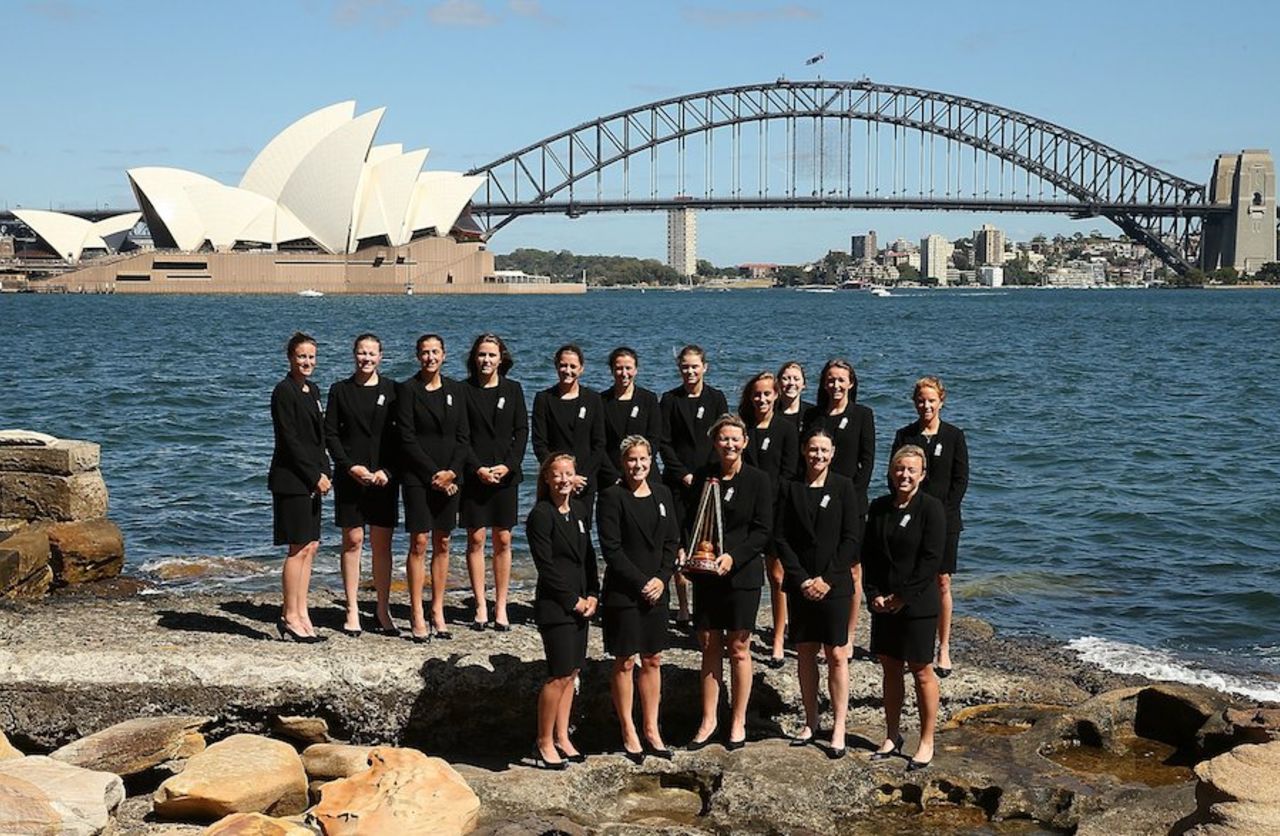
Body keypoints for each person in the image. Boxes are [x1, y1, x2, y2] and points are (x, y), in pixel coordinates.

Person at [686, 414, 773, 751]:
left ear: (745, 442)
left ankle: (737, 721)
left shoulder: (758, 480)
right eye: (724, 439)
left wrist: (733, 557)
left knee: (738, 648)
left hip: (743, 574)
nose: (730, 444)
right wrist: (687, 552)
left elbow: (763, 530)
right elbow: (690, 520)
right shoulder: (704, 477)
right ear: (715, 442)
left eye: (735, 439)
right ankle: (708, 720)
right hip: (707, 574)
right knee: (708, 645)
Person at [774, 429, 859, 758]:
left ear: (833, 453)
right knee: (805, 652)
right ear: (803, 451)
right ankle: (811, 721)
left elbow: (851, 538)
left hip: (834, 584)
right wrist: (803, 579)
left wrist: (827, 579)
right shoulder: (790, 487)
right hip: (801, 585)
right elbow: (781, 538)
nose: (818, 456)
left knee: (836, 655)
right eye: (812, 450)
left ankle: (838, 726)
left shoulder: (844, 487)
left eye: (824, 450)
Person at [597, 435, 679, 763]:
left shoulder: (662, 494)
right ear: (623, 462)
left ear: (651, 460)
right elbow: (611, 549)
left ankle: (651, 728)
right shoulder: (611, 496)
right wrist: (643, 582)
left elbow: (672, 541)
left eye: (643, 459)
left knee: (653, 658)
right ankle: (628, 729)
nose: (638, 465)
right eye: (632, 459)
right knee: (625, 660)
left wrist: (662, 578)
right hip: (624, 592)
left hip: (657, 590)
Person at [863, 445, 945, 771]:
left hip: (918, 605)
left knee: (921, 671)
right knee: (890, 667)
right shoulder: (880, 506)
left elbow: (930, 561)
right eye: (899, 469)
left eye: (911, 470)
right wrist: (874, 594)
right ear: (891, 472)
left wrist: (902, 597)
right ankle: (892, 734)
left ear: (922, 474)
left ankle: (926, 740)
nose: (905, 476)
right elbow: (868, 555)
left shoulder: (932, 508)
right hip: (884, 605)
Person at [892, 376, 969, 677]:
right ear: (915, 402)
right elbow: (894, 475)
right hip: (909, 519)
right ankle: (906, 641)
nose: (926, 405)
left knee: (942, 582)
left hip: (946, 521)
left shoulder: (954, 435)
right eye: (921, 400)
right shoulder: (905, 435)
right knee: (907, 579)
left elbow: (960, 480)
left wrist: (940, 515)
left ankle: (943, 647)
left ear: (941, 401)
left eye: (931, 400)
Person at [324, 333, 399, 637]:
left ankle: (382, 607)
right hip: (350, 477)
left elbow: (402, 438)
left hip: (384, 479)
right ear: (354, 355)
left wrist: (388, 471)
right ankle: (352, 608)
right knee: (352, 541)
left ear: (381, 356)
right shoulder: (340, 390)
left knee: (383, 544)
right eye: (361, 353)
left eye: (372, 353)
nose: (366, 358)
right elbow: (330, 434)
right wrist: (349, 466)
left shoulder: (394, 390)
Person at [527, 453, 599, 769]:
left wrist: (594, 594)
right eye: (557, 474)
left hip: (583, 605)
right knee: (557, 675)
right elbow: (546, 566)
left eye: (568, 473)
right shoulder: (541, 515)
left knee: (572, 673)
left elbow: (588, 557)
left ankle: (562, 736)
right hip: (556, 606)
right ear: (546, 479)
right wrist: (573, 600)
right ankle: (543, 742)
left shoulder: (580, 511)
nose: (563, 480)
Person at [397, 334, 471, 642]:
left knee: (443, 542)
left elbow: (464, 438)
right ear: (417, 356)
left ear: (444, 355)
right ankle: (416, 611)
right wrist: (434, 475)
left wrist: (451, 473)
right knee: (419, 543)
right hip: (418, 478)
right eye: (425, 352)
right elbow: (406, 438)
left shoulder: (456, 390)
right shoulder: (407, 390)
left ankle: (437, 609)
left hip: (451, 479)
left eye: (435, 352)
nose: (430, 357)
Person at [802, 359, 874, 659]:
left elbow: (867, 462)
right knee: (819, 563)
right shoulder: (813, 415)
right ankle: (819, 632)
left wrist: (850, 499)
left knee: (852, 569)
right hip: (816, 501)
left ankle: (847, 633)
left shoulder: (862, 415)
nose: (835, 385)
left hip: (851, 502)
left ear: (851, 383)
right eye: (830, 380)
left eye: (841, 380)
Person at [461, 333, 528, 632]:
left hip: (505, 476)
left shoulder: (513, 390)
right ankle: (479, 604)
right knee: (475, 540)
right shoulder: (463, 390)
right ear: (474, 359)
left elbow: (521, 432)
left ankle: (501, 605)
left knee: (503, 539)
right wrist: (477, 468)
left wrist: (508, 465)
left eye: (491, 355)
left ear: (502, 358)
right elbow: (460, 436)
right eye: (481, 355)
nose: (486, 360)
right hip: (474, 476)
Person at [659, 345, 729, 630]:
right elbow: (663, 442)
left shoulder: (716, 398)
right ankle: (684, 607)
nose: (690, 371)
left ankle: (706, 603)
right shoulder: (670, 399)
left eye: (694, 366)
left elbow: (724, 438)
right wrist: (682, 474)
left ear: (705, 367)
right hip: (677, 482)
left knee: (706, 541)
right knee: (680, 541)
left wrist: (707, 475)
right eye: (685, 367)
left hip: (709, 482)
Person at [269, 332, 332, 642]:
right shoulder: (283, 392)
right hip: (291, 480)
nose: (307, 362)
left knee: (312, 545)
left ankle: (302, 611)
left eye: (311, 357)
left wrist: (326, 471)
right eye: (301, 357)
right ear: (290, 358)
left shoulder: (313, 390)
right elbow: (289, 441)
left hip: (313, 480)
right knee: (297, 547)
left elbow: (318, 438)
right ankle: (289, 616)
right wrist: (313, 476)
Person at [738, 371, 798, 668]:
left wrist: (768, 502)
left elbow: (788, 473)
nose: (761, 399)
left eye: (767, 394)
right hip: (745, 511)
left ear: (776, 395)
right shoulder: (744, 428)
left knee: (777, 576)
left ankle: (777, 638)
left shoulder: (786, 429)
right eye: (757, 394)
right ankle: (741, 634)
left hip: (776, 510)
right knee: (746, 573)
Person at [531, 344, 606, 521]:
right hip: (554, 481)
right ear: (556, 366)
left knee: (581, 531)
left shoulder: (593, 399)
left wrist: (580, 478)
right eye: (563, 365)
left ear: (581, 369)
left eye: (573, 366)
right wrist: (558, 475)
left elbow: (599, 443)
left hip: (584, 482)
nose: (567, 370)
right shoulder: (544, 399)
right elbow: (539, 443)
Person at [599, 347, 663, 489]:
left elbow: (655, 438)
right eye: (619, 368)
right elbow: (598, 443)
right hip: (612, 477)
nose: (624, 373)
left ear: (636, 370)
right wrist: (613, 475)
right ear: (612, 370)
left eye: (628, 368)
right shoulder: (601, 401)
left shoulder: (648, 399)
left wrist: (639, 467)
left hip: (645, 474)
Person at [775, 361, 813, 433]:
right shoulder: (770, 412)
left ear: (804, 384)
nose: (791, 383)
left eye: (796, 379)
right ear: (778, 383)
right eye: (786, 378)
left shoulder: (811, 413)